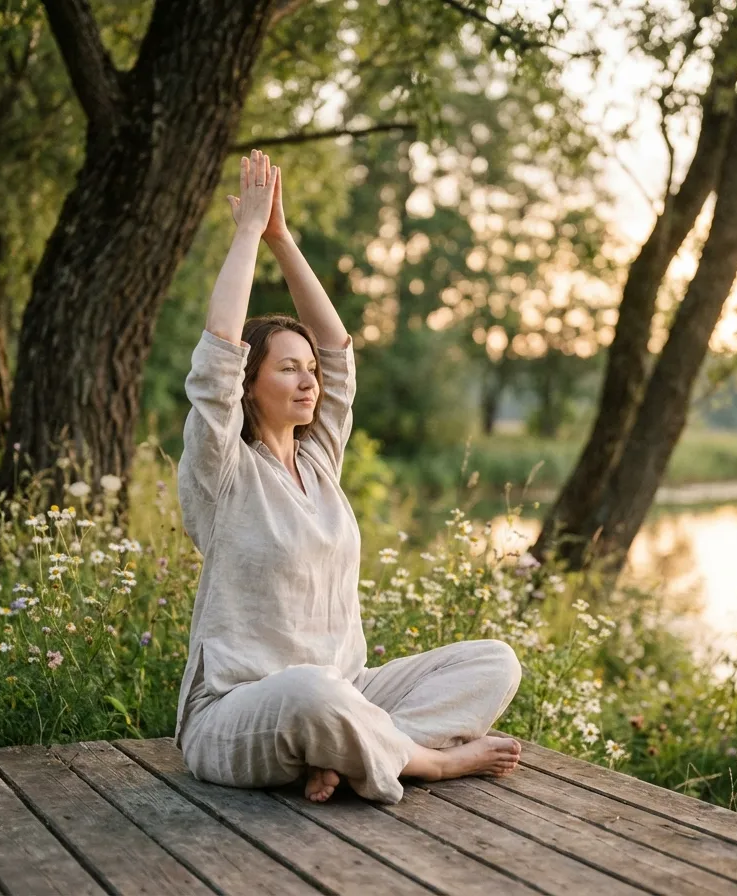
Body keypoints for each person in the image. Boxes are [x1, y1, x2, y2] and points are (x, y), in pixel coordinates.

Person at [174, 149, 523, 804]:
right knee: (311, 693)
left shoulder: (317, 461)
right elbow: (217, 352)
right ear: (247, 388)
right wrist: (248, 230)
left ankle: (351, 749)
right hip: (236, 712)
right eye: (287, 369)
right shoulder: (221, 471)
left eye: (309, 370)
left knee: (493, 662)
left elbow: (337, 349)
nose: (309, 379)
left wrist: (282, 237)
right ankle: (427, 762)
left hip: (346, 690)